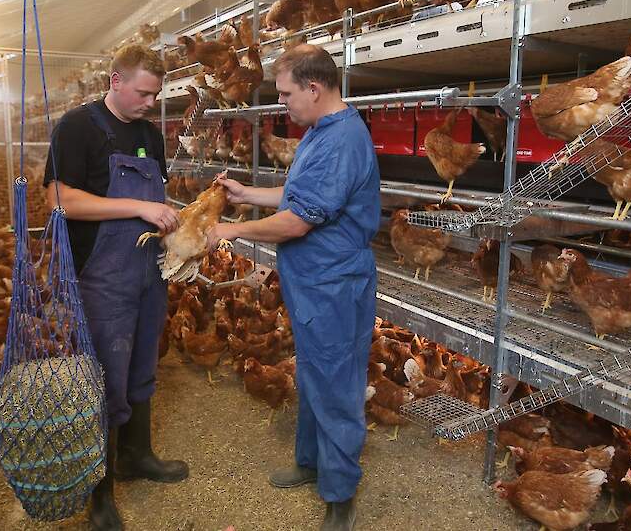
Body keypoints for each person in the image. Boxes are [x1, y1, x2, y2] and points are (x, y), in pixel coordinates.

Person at [207, 44, 380, 531]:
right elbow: (298, 193)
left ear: (313, 88)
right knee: (312, 376)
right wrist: (248, 194)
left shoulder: (343, 139)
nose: (282, 102)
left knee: (337, 385)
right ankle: (311, 463)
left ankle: (340, 493)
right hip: (313, 281)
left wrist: (233, 230)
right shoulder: (319, 132)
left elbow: (300, 220)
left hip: (334, 283)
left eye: (285, 94)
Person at [44, 43, 188, 531]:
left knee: (144, 363)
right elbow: (59, 198)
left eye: (156, 94)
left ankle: (137, 455)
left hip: (147, 270)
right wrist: (137, 208)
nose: (151, 102)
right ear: (115, 82)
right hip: (102, 275)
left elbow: (158, 197)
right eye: (144, 92)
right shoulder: (77, 127)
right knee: (104, 376)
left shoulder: (150, 133)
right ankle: (99, 492)